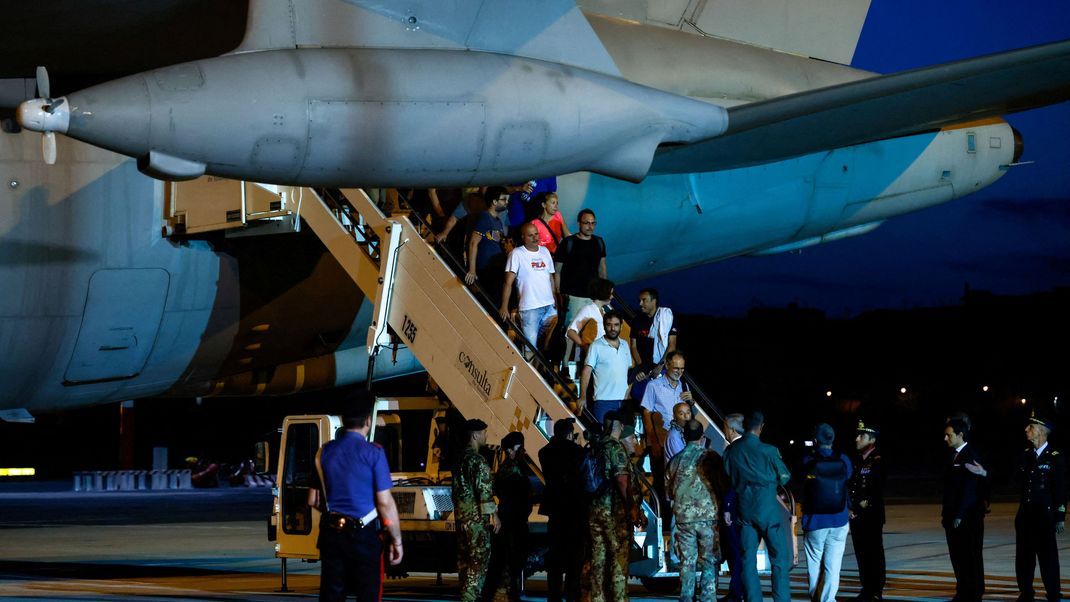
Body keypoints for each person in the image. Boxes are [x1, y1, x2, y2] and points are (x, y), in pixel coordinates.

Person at [308, 399, 403, 602]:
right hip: (364, 535)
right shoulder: (374, 453)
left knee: (332, 595)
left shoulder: (323, 452)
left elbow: (313, 500)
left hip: (332, 535)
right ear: (368, 421)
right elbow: (385, 503)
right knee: (368, 594)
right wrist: (397, 540)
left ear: (343, 420)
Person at [722, 411, 793, 602]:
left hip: (745, 509)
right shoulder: (769, 451)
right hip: (768, 510)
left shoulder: (731, 451)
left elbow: (728, 474)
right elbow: (785, 477)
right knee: (779, 559)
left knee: (747, 560)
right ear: (761, 427)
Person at [584, 412, 643, 602]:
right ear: (617, 426)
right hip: (613, 513)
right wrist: (633, 508)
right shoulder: (615, 448)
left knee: (598, 559)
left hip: (594, 511)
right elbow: (622, 480)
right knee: (619, 559)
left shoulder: (596, 446)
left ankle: (597, 598)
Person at [665, 419, 722, 602]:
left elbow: (669, 492)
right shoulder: (711, 457)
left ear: (684, 435)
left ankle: (687, 597)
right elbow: (722, 485)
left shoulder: (674, 461)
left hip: (683, 518)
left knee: (687, 561)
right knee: (709, 560)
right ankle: (708, 597)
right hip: (708, 518)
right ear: (702, 436)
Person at [1014, 411, 1066, 602]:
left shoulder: (1055, 457)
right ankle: (1026, 592)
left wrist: (1060, 516)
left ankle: (1053, 593)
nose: (1027, 430)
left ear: (1042, 432)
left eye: (1031, 427)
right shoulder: (1025, 455)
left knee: (1048, 558)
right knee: (1024, 558)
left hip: (1044, 517)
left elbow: (1061, 489)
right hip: (1025, 516)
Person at [798, 423, 852, 602]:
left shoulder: (809, 460)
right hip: (840, 519)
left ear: (815, 440)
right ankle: (828, 599)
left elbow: (803, 483)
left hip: (816, 520)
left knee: (814, 562)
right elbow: (847, 480)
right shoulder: (843, 459)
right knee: (833, 565)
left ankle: (816, 597)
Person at [453, 419, 501, 602]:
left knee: (464, 563)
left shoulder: (459, 460)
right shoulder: (478, 461)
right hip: (476, 521)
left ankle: (466, 596)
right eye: (484, 433)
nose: (486, 436)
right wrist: (494, 515)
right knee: (478, 562)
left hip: (461, 519)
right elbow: (484, 492)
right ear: (475, 435)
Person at [538, 418, 585, 602]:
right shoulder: (577, 452)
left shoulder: (544, 452)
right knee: (574, 558)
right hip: (574, 509)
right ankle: (572, 595)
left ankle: (554, 596)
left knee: (555, 558)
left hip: (555, 509)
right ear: (569, 434)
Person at [942, 416, 987, 602]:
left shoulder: (971, 454)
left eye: (949, 435)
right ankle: (963, 590)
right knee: (958, 556)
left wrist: (960, 514)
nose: (946, 439)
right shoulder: (954, 455)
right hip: (954, 514)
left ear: (960, 435)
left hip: (968, 516)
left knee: (970, 555)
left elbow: (970, 489)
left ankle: (974, 592)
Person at [484, 432, 533, 601]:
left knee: (505, 562)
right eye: (518, 448)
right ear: (510, 450)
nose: (522, 451)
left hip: (513, 520)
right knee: (506, 562)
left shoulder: (511, 467)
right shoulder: (511, 470)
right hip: (512, 522)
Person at [501, 222, 558, 348]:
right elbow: (507, 282)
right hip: (529, 309)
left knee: (548, 346)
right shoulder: (516, 254)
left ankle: (541, 368)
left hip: (549, 307)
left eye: (536, 234)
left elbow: (550, 277)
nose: (535, 238)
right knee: (531, 348)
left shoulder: (545, 252)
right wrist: (504, 306)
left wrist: (555, 299)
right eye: (530, 235)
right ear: (523, 237)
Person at [554, 209, 607, 338]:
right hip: (573, 297)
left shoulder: (599, 242)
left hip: (593, 298)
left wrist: (603, 291)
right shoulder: (568, 242)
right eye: (587, 223)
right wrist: (558, 294)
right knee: (570, 332)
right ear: (579, 223)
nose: (590, 226)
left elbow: (602, 268)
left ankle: (583, 358)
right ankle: (564, 359)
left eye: (593, 223)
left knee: (592, 333)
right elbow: (557, 272)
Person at [848, 420, 886, 602]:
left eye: (861, 436)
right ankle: (867, 588)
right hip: (856, 516)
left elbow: (876, 490)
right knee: (861, 554)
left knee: (874, 553)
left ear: (871, 439)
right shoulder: (858, 460)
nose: (856, 439)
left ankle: (876, 590)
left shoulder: (878, 460)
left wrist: (859, 508)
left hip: (870, 516)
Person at [578, 311, 632, 423]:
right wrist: (582, 396)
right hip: (603, 401)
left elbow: (628, 371)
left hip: (624, 402)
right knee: (604, 437)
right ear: (604, 326)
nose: (613, 328)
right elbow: (586, 371)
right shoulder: (596, 346)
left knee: (625, 438)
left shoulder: (625, 345)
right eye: (609, 325)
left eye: (616, 325)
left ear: (621, 326)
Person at [629, 288, 678, 402]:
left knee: (662, 399)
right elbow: (634, 346)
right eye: (639, 300)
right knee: (637, 394)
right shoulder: (637, 320)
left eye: (644, 300)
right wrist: (641, 367)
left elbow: (672, 345)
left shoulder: (666, 317)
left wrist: (660, 366)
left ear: (654, 301)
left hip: (662, 366)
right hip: (644, 368)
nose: (640, 304)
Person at [465, 187, 510, 306]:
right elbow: (473, 243)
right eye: (503, 199)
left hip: (495, 268)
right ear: (494, 202)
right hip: (485, 269)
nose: (506, 202)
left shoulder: (498, 221)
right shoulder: (485, 218)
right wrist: (472, 270)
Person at [719, 414, 746, 602]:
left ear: (732, 430)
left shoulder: (732, 450)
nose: (724, 432)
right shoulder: (753, 447)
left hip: (735, 507)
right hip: (752, 507)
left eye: (725, 428)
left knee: (735, 551)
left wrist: (727, 507)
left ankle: (737, 592)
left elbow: (730, 482)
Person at [564, 277, 614, 364]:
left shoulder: (603, 311)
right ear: (603, 293)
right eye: (611, 293)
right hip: (593, 358)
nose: (612, 296)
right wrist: (585, 346)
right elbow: (571, 332)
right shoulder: (588, 310)